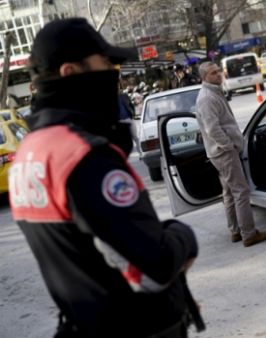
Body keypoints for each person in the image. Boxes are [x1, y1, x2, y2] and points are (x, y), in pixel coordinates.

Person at [8, 18, 203, 337]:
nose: (116, 77)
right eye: (107, 66)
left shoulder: (29, 152)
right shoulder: (84, 156)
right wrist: (183, 236)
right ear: (70, 73)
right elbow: (154, 267)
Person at [195, 61, 266, 247]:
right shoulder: (206, 98)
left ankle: (236, 231)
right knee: (240, 191)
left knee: (229, 192)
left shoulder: (213, 92)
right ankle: (249, 234)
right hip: (224, 153)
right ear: (205, 77)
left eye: (219, 71)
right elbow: (213, 129)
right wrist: (229, 146)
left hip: (220, 152)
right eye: (214, 73)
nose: (219, 74)